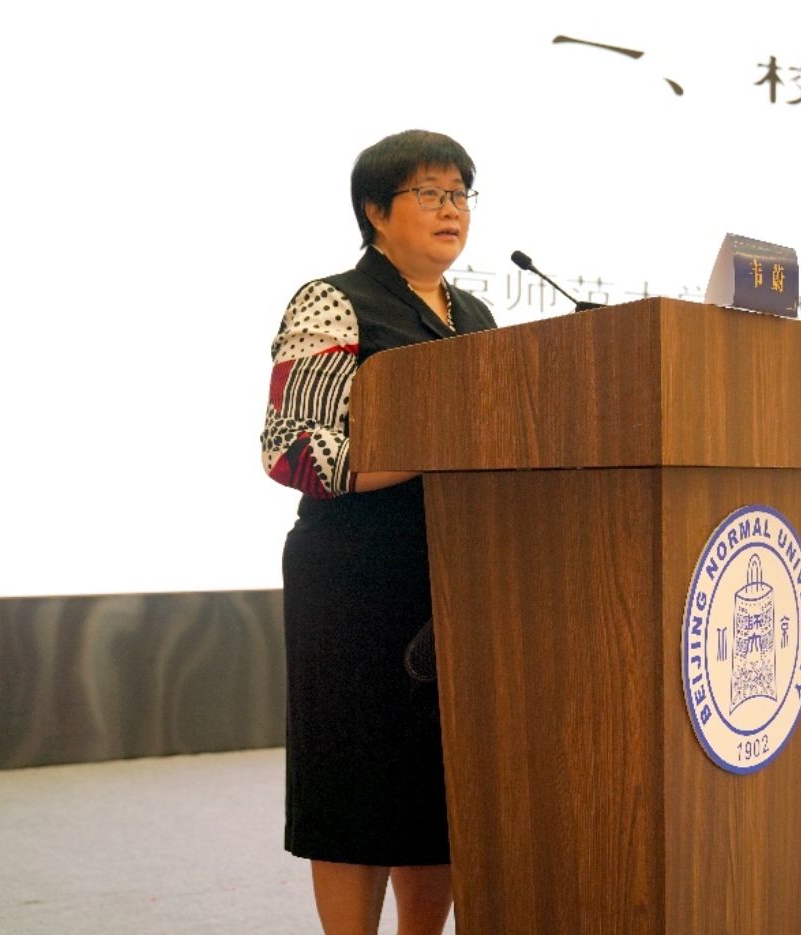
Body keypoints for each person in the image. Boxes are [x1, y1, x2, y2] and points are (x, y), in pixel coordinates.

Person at [261, 129, 496, 935]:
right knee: (356, 781)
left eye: (459, 193)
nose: (450, 209)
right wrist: (427, 452)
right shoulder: (333, 300)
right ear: (374, 210)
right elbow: (292, 448)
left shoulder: (476, 316)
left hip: (454, 572)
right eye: (429, 193)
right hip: (354, 576)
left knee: (436, 782)